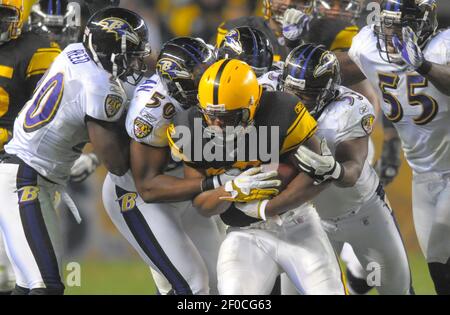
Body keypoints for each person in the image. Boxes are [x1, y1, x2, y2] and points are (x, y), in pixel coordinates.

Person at [0, 6, 150, 294]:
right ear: (111, 50)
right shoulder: (103, 89)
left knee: (31, 284)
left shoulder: (73, 52)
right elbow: (117, 163)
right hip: (25, 180)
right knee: (45, 286)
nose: (134, 63)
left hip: (27, 173)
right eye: (132, 54)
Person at [168, 59, 347, 294]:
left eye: (229, 117)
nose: (218, 125)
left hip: (297, 224)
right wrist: (230, 189)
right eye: (211, 116)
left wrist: (265, 208)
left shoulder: (281, 110)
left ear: (252, 105)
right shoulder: (190, 127)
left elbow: (318, 174)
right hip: (245, 234)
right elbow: (202, 205)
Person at [280, 43, 413, 294]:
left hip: (361, 213)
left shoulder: (349, 107)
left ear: (328, 91)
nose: (295, 101)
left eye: (305, 94)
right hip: (307, 218)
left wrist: (333, 169)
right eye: (291, 91)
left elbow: (352, 170)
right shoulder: (272, 94)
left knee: (396, 290)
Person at [343, 0, 450, 294]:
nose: (391, 33)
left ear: (424, 22)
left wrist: (423, 66)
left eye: (399, 25)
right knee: (439, 266)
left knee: (443, 242)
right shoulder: (368, 48)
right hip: (423, 175)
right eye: (386, 24)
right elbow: (338, 71)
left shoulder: (443, 46)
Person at [0, 0, 61, 294]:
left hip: (14, 168)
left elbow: (52, 117)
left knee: (28, 277)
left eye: (3, 14)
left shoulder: (39, 49)